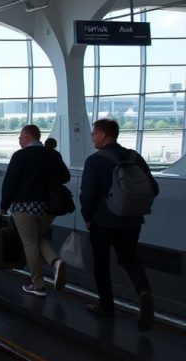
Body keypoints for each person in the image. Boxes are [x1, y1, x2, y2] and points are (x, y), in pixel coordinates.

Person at [81, 118, 160, 331]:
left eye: (94, 133)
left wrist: (87, 216)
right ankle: (143, 292)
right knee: (130, 260)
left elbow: (87, 194)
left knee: (101, 263)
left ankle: (106, 307)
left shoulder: (95, 161)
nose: (92, 137)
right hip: (132, 221)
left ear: (104, 135)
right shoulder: (135, 157)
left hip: (103, 222)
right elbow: (153, 187)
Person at [0, 124, 71, 297]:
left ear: (27, 137)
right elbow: (66, 177)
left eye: (20, 136)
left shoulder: (20, 156)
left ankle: (38, 285)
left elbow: (10, 183)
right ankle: (55, 262)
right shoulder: (53, 155)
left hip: (24, 207)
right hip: (48, 208)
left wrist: (3, 205)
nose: (19, 139)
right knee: (36, 238)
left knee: (30, 243)